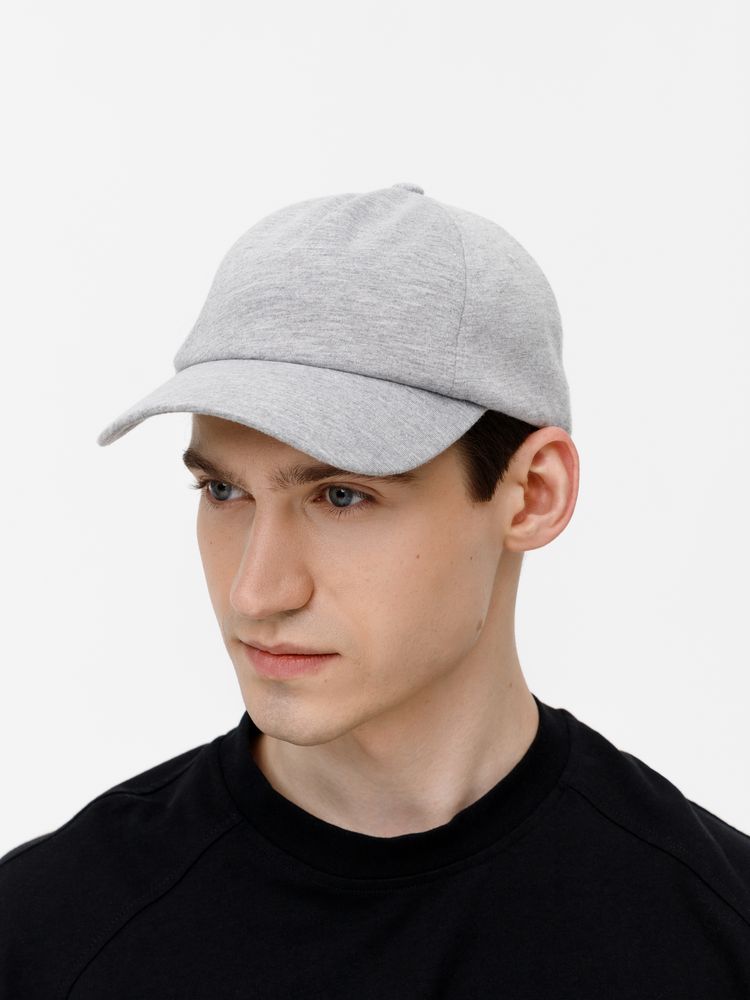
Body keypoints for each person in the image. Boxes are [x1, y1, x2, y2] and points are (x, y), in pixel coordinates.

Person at [1, 182, 748, 998]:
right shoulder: (47, 935)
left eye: (342, 496)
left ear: (534, 494)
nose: (256, 592)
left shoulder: (712, 937)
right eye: (223, 491)